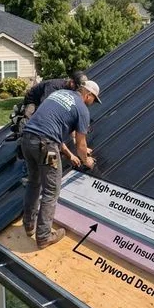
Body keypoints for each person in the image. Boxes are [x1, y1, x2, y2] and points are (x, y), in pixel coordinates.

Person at [21, 80, 101, 249]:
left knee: (34, 182)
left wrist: (76, 151)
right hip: (46, 148)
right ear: (88, 95)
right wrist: (87, 160)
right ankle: (44, 236)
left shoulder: (59, 94)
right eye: (94, 99)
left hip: (28, 140)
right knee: (51, 189)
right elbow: (80, 143)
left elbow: (57, 128)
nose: (93, 103)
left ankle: (29, 225)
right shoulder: (82, 109)